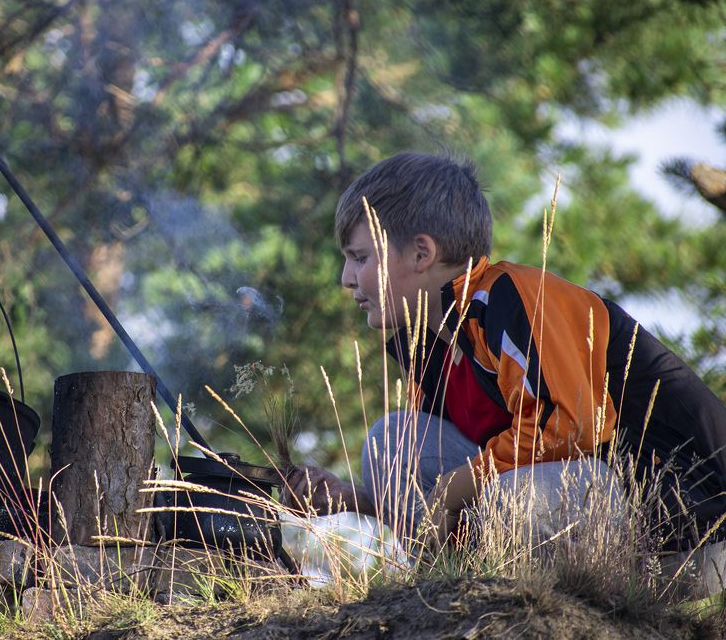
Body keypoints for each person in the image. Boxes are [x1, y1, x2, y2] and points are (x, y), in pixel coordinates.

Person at [283, 152, 726, 595]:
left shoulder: (512, 298)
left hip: (688, 537)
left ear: (422, 252)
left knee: (511, 499)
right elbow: (449, 485)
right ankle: (448, 596)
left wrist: (457, 486)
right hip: (584, 514)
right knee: (393, 440)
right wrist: (356, 500)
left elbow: (571, 425)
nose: (346, 278)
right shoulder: (427, 346)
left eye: (360, 257)